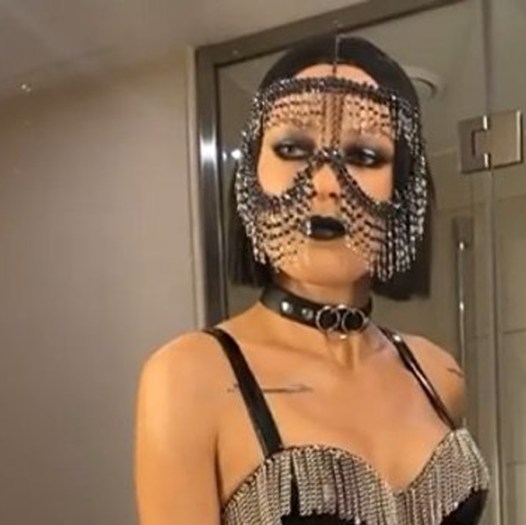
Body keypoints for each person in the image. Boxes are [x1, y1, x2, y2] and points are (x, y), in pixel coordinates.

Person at [135, 34, 489, 525]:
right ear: (252, 174)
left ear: (406, 189)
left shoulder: (436, 374)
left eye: (365, 156)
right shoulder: (190, 378)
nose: (324, 183)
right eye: (292, 148)